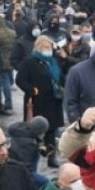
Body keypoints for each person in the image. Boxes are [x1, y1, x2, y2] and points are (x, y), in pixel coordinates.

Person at [16, 36, 66, 168]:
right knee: (35, 129)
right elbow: (20, 80)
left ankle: (51, 156)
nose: (47, 50)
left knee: (52, 129)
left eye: (49, 47)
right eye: (44, 47)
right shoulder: (29, 62)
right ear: (37, 48)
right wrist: (31, 90)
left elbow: (60, 77)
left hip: (53, 100)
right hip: (37, 101)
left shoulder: (53, 61)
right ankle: (32, 156)